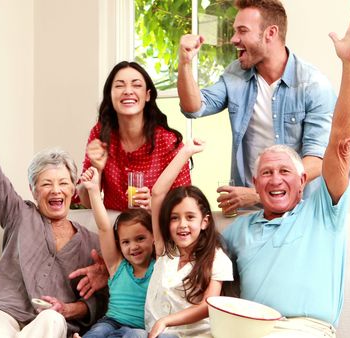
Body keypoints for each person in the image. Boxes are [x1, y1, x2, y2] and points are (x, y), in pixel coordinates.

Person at [221, 1, 350, 336]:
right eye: (267, 173)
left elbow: (341, 142)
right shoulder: (236, 233)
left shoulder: (322, 214)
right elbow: (189, 258)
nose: (275, 180)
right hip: (246, 330)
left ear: (303, 179)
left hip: (304, 329)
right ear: (254, 183)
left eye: (285, 172)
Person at [0, 75, 106, 338]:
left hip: (50, 321)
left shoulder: (92, 243)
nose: (55, 190)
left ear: (73, 190)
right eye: (46, 184)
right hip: (3, 311)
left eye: (63, 183)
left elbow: (99, 303)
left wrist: (69, 308)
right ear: (33, 190)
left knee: (51, 319)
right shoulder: (18, 214)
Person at [177, 0, 337, 216]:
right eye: (235, 31)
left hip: (299, 213)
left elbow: (317, 161)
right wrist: (185, 63)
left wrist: (258, 193)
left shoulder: (312, 85)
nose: (234, 39)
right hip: (249, 212)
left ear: (270, 33)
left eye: (242, 31)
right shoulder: (236, 74)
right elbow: (194, 107)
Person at [144, 139, 233, 338]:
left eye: (190, 217)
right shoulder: (165, 250)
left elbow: (207, 306)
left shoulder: (217, 259)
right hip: (153, 333)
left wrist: (165, 321)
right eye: (175, 218)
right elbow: (158, 193)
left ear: (205, 222)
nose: (182, 224)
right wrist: (185, 153)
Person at [76, 61, 191, 211]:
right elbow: (87, 203)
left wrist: (154, 203)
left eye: (136, 85)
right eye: (119, 85)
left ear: (147, 95)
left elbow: (185, 205)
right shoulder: (100, 133)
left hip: (155, 228)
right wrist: (96, 168)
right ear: (110, 95)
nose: (128, 91)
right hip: (113, 228)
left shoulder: (168, 142)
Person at [76, 167, 156, 338]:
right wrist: (94, 190)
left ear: (154, 237)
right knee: (97, 333)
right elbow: (104, 228)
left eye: (140, 238)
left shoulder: (160, 267)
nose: (133, 247)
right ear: (119, 244)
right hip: (110, 322)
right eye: (126, 242)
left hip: (140, 329)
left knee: (137, 335)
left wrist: (152, 206)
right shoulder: (117, 265)